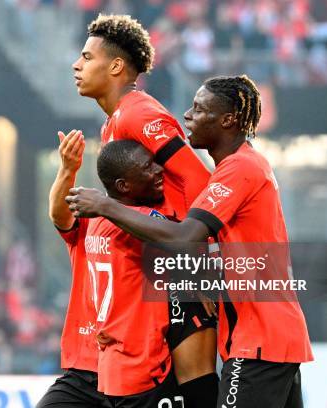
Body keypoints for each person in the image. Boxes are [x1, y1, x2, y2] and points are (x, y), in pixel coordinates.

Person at [65, 74, 314, 407]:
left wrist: (105, 206)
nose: (187, 116)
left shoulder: (240, 168)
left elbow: (185, 236)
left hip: (259, 339)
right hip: (267, 335)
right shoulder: (242, 165)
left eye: (199, 109)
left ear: (227, 120)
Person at [72, 14, 218, 406]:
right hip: (153, 267)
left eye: (87, 57)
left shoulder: (139, 113)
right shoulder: (112, 125)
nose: (77, 65)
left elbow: (200, 181)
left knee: (198, 391)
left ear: (116, 66)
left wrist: (200, 267)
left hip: (179, 264)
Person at [86, 139, 216, 406]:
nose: (159, 170)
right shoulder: (136, 223)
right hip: (141, 364)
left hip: (114, 367)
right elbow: (183, 239)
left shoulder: (95, 223)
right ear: (123, 186)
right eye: (147, 167)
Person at [37, 130, 108, 407]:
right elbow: (59, 215)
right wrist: (67, 169)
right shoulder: (92, 220)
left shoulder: (156, 226)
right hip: (86, 368)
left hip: (135, 372)